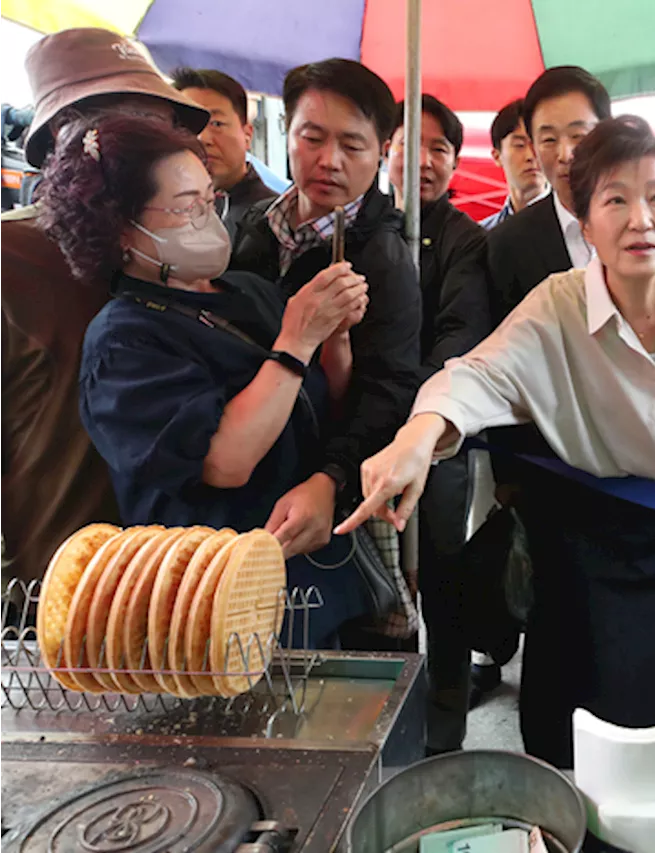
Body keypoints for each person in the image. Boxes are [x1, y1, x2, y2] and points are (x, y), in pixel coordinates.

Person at [337, 117, 655, 769]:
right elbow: (478, 372)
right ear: (584, 223)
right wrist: (421, 433)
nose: (641, 217)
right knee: (591, 734)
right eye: (616, 199)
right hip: (598, 545)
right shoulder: (558, 304)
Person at [40, 113, 370, 647]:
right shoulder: (124, 339)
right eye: (184, 206)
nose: (206, 217)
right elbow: (224, 462)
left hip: (309, 580)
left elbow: (326, 402)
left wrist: (334, 338)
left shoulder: (247, 292)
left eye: (209, 199)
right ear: (120, 228)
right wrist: (297, 342)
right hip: (211, 601)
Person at [0, 28, 207, 591]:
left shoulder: (186, 249)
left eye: (153, 127)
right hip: (57, 595)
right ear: (57, 149)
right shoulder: (10, 259)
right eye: (111, 126)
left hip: (189, 584)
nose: (134, 146)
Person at [229, 59, 422, 637]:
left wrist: (330, 478)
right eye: (312, 137)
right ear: (286, 132)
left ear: (383, 151)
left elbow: (390, 388)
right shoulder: (249, 227)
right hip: (249, 469)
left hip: (327, 491)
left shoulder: (384, 260)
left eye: (353, 145)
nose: (329, 161)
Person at [386, 93, 493, 753]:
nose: (423, 160)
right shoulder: (354, 226)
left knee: (444, 591)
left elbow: (461, 335)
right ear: (385, 150)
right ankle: (382, 732)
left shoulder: (465, 240)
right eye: (410, 144)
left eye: (440, 148)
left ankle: (443, 740)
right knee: (375, 596)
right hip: (356, 448)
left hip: (437, 445)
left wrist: (409, 416)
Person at [487, 66, 612, 322]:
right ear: (533, 146)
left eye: (579, 136)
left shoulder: (646, 221)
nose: (565, 155)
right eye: (549, 140)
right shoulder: (507, 244)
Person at [171, 67, 277, 243]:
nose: (202, 138)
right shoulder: (163, 211)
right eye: (187, 125)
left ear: (248, 135)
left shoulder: (271, 217)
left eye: (216, 123)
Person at [480, 99, 548, 231]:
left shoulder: (573, 227)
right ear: (497, 156)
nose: (530, 156)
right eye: (519, 145)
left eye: (537, 143)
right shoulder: (483, 236)